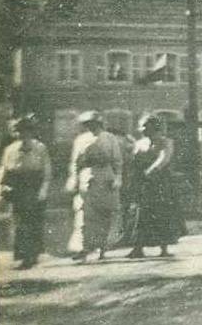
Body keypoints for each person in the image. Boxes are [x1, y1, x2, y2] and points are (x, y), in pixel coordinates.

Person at [0, 115, 52, 269]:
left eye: (27, 131)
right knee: (19, 223)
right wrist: (0, 189)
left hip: (33, 187)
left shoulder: (40, 148)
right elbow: (4, 170)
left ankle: (32, 255)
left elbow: (46, 171)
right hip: (17, 188)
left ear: (32, 132)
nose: (23, 135)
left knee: (33, 222)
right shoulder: (10, 149)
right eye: (20, 132)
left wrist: (43, 190)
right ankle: (23, 255)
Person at [66, 110, 123, 262]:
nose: (91, 127)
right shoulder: (81, 139)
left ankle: (102, 248)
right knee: (84, 214)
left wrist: (117, 178)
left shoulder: (109, 138)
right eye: (88, 124)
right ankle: (84, 248)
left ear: (100, 123)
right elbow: (75, 162)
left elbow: (117, 161)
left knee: (104, 214)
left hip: (106, 178)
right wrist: (74, 179)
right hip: (87, 178)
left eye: (94, 124)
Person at [126, 114, 185, 258]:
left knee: (163, 213)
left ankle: (163, 248)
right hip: (144, 183)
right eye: (142, 126)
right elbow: (133, 161)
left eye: (145, 126)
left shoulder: (166, 142)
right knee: (141, 214)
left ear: (154, 127)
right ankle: (138, 248)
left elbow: (164, 158)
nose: (143, 129)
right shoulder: (140, 143)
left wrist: (152, 169)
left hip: (161, 183)